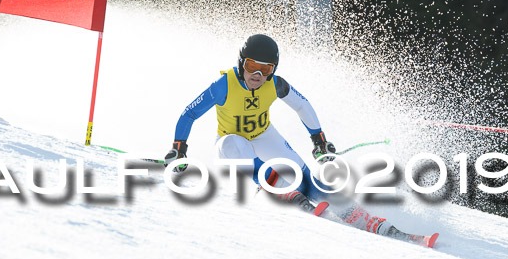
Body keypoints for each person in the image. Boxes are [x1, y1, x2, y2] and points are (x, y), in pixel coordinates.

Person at [164, 34, 420, 242]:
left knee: (309, 182)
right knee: (234, 143)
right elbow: (189, 114)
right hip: (231, 145)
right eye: (252, 66)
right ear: (242, 63)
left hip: (264, 135)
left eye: (266, 69)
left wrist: (318, 140)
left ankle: (367, 220)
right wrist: (179, 149)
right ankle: (279, 189)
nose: (258, 75)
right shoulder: (224, 85)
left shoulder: (275, 84)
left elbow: (302, 106)